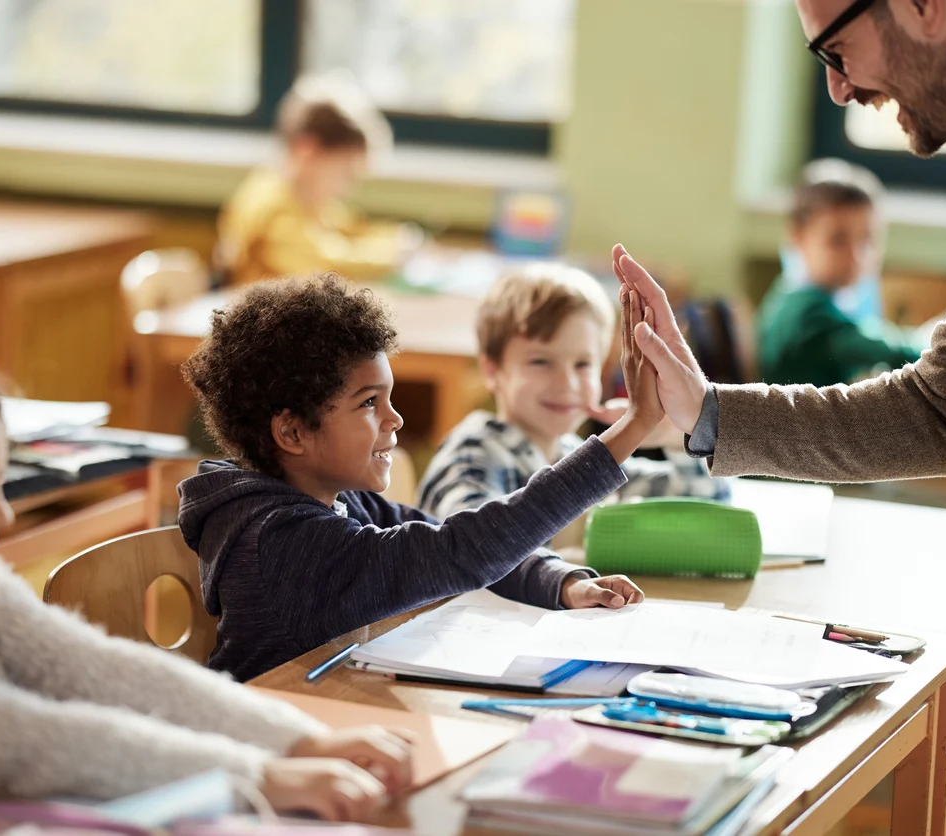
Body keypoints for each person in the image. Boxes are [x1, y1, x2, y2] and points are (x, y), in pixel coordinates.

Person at [0, 335, 415, 823]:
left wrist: (301, 741)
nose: (4, 518)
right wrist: (261, 773)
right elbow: (19, 740)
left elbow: (97, 668)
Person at [615, 0, 946, 483]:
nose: (838, 89)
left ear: (921, 5)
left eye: (837, 50)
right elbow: (941, 408)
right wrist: (708, 412)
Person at [178, 275, 655, 681]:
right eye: (369, 402)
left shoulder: (338, 500)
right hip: (275, 746)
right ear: (293, 431)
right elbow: (462, 552)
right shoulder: (286, 543)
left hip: (333, 719)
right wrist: (631, 428)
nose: (396, 419)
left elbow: (461, 539)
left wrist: (559, 581)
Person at [417, 263, 728, 524]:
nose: (566, 383)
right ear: (492, 370)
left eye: (582, 364)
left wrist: (676, 438)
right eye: (541, 362)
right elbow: (473, 547)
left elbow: (706, 504)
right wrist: (564, 578)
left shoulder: (574, 456)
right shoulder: (473, 455)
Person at [216, 73, 420, 286]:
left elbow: (350, 230)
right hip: (267, 317)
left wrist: (398, 238)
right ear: (308, 150)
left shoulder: (304, 197)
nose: (347, 188)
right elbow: (323, 266)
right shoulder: (272, 206)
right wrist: (393, 256)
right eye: (345, 174)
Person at [757, 166, 923, 387]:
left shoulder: (794, 291)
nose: (857, 257)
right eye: (838, 240)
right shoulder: (809, 317)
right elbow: (900, 353)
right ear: (797, 236)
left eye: (867, 239)